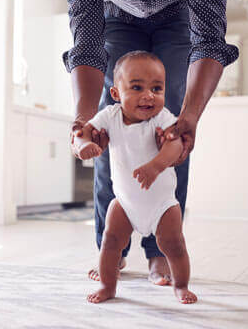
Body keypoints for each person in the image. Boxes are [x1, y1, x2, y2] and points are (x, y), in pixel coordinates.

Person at [63, 0, 239, 285]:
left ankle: (161, 251)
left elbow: (208, 39)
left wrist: (189, 117)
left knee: (169, 123)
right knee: (106, 126)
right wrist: (84, 119)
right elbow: (87, 45)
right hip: (116, 19)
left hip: (178, 17)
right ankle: (111, 248)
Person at [74, 51, 197, 304]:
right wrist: (84, 144)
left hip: (162, 204)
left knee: (174, 245)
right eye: (137, 87)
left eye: (156, 88)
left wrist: (155, 165)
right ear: (117, 94)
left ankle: (181, 286)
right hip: (125, 202)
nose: (148, 95)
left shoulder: (162, 118)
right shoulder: (110, 116)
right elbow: (84, 131)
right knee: (110, 242)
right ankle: (108, 287)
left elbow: (174, 147)